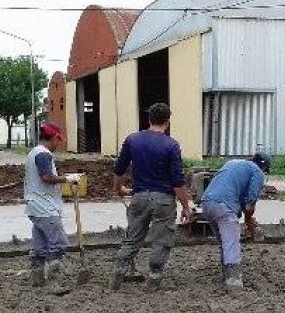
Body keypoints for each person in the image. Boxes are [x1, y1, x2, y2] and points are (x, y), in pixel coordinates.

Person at [111, 102, 193, 292]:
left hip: (139, 196)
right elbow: (177, 181)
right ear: (167, 121)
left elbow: (120, 168)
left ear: (149, 119)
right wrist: (186, 207)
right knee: (161, 241)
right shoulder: (171, 145)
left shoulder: (132, 140)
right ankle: (153, 281)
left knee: (132, 238)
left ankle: (116, 276)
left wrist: (118, 188)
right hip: (163, 199)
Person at [201, 152, 271, 290]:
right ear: (264, 168)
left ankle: (226, 273)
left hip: (207, 203)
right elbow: (250, 204)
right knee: (231, 243)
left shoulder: (232, 163)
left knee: (224, 242)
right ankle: (234, 282)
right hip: (224, 206)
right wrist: (249, 221)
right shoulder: (257, 172)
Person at [24, 123, 80, 292]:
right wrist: (67, 179)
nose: (59, 144)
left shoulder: (33, 152)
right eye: (58, 140)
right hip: (45, 207)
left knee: (40, 246)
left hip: (35, 206)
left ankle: (37, 279)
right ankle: (55, 283)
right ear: (54, 138)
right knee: (58, 244)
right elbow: (46, 177)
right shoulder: (44, 154)